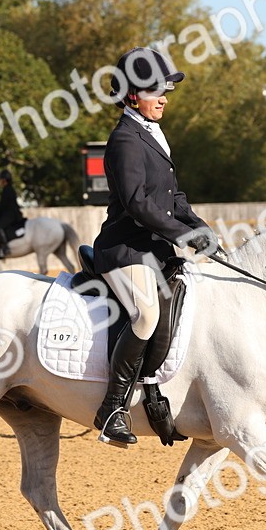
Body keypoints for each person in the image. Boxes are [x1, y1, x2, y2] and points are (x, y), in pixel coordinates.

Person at [91, 46, 215, 448]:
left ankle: (158, 390)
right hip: (126, 249)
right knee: (146, 314)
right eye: (155, 91)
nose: (164, 98)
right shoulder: (125, 139)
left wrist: (199, 227)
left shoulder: (152, 134)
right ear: (131, 96)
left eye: (165, 91)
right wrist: (181, 236)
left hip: (154, 249)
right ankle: (112, 407)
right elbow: (137, 204)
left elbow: (172, 196)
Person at [0, 169, 25, 259]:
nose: (0, 181)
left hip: (11, 215)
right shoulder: (8, 189)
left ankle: (5, 247)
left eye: (1, 179)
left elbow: (2, 205)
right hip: (10, 213)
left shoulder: (7, 190)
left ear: (4, 180)